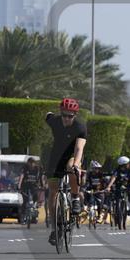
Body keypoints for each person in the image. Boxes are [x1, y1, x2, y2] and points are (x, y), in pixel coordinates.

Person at [45, 98, 87, 245]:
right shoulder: (55, 121)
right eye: (64, 115)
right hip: (56, 157)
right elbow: (48, 115)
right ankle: (55, 228)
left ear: (75, 115)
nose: (67, 119)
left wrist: (76, 165)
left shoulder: (80, 127)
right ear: (61, 113)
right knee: (52, 193)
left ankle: (75, 198)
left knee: (71, 168)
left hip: (72, 156)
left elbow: (79, 148)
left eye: (70, 116)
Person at [18, 157, 44, 222]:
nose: (32, 164)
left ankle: (34, 213)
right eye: (30, 163)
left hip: (34, 187)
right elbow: (22, 176)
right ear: (28, 163)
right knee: (25, 201)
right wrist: (19, 185)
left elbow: (40, 178)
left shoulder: (37, 169)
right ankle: (23, 216)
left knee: (36, 198)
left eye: (33, 163)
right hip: (25, 186)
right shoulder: (25, 168)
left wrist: (42, 186)